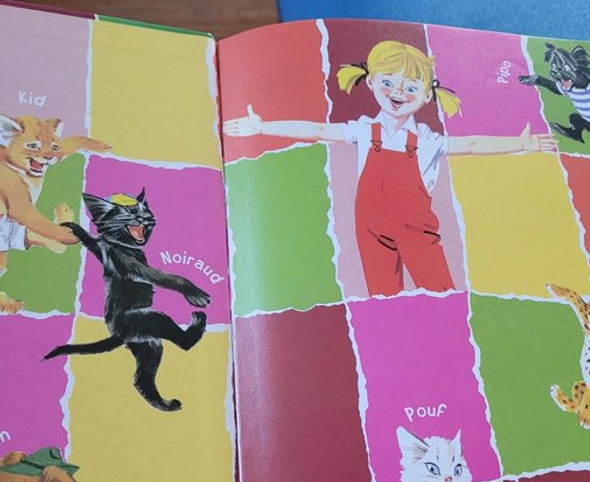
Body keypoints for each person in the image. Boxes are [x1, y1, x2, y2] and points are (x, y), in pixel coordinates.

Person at [224, 40, 555, 297]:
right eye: (388, 82)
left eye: (410, 87)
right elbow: (318, 130)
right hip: (369, 226)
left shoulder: (426, 140)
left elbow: (472, 145)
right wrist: (263, 126)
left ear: (426, 96)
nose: (398, 93)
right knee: (382, 297)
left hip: (416, 228)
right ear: (371, 82)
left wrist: (520, 143)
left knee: (440, 293)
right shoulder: (363, 130)